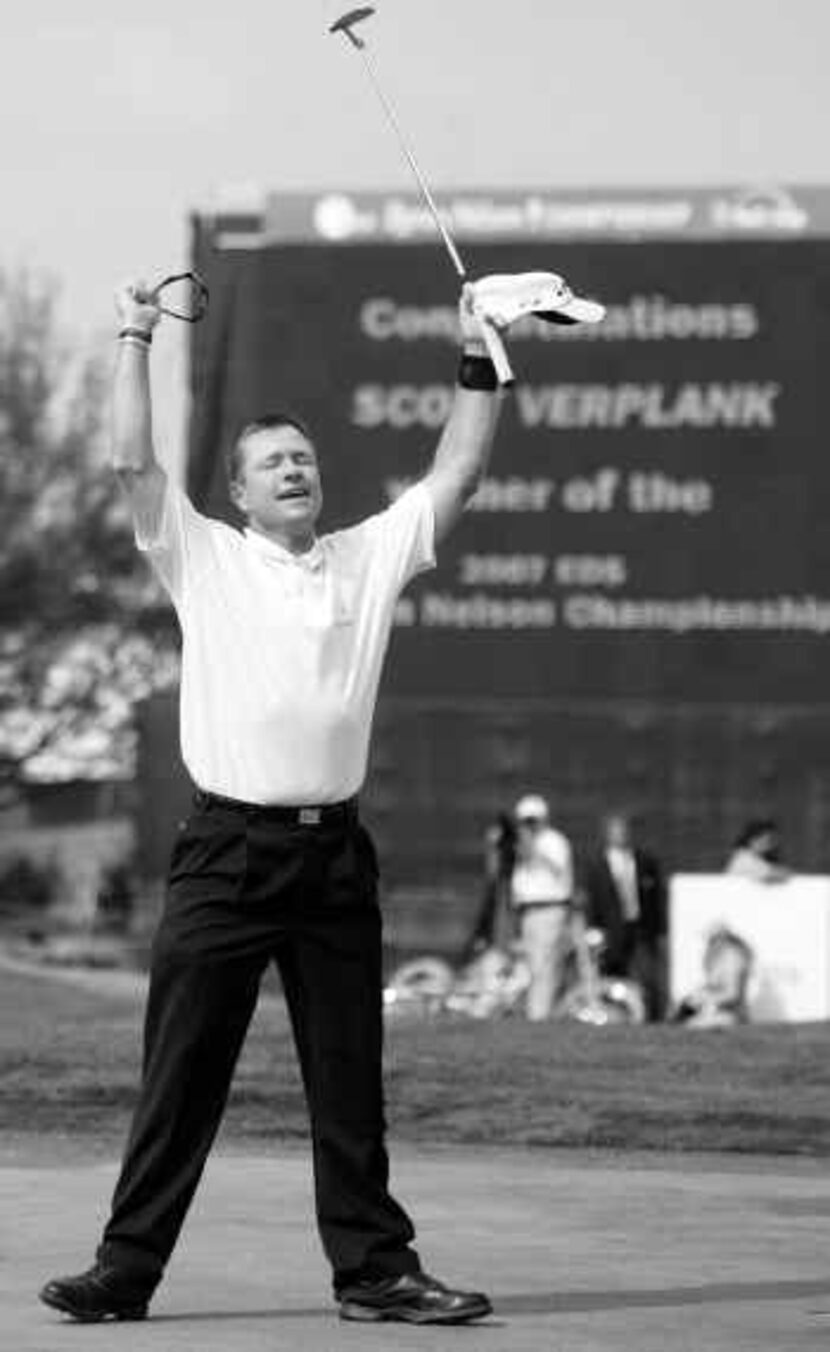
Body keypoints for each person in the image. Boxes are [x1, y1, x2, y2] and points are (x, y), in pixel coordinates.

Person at [39, 277, 510, 1326]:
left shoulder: (363, 557)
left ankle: (375, 1272)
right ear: (239, 494)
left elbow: (460, 467)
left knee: (349, 1080)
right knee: (182, 1075)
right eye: (271, 462)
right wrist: (133, 332)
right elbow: (130, 461)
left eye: (302, 456)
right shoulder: (201, 554)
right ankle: (125, 1271)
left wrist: (476, 351)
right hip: (225, 853)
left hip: (333, 858)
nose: (294, 468)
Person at [581, 811, 668, 1021]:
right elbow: (592, 901)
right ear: (607, 834)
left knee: (646, 976)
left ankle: (652, 1019)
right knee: (612, 977)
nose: (621, 835)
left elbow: (656, 899)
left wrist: (661, 930)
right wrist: (593, 931)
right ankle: (615, 1017)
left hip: (640, 928)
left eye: (624, 831)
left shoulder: (646, 861)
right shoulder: (596, 865)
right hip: (610, 931)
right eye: (616, 831)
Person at [509, 794, 574, 1021]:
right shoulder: (522, 848)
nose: (529, 826)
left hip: (549, 910)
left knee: (544, 965)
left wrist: (533, 847)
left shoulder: (554, 841)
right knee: (531, 965)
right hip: (527, 911)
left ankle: (539, 1017)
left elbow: (557, 870)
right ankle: (536, 1014)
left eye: (532, 821)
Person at [724, 818, 790, 884]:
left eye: (771, 841)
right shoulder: (743, 858)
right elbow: (770, 876)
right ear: (752, 839)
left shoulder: (757, 858)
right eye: (766, 840)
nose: (770, 845)